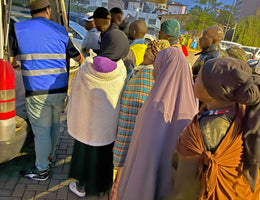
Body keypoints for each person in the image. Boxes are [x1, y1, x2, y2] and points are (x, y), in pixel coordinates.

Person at [8, 0, 83, 181]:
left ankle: (42, 170)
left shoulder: (19, 29)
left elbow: (10, 61)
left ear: (31, 12)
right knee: (54, 126)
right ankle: (48, 159)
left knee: (41, 131)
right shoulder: (60, 30)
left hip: (36, 91)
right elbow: (79, 57)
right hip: (59, 90)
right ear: (48, 11)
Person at [116, 47, 198, 200]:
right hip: (175, 178)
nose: (154, 72)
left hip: (148, 176)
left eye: (156, 67)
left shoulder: (156, 102)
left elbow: (145, 148)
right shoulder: (193, 98)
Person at [173, 57, 260, 200]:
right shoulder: (246, 111)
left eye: (199, 79)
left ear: (214, 91)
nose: (195, 81)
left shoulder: (199, 132)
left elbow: (183, 188)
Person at [67, 9, 130, 197]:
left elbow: (76, 93)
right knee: (103, 156)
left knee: (86, 154)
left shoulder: (87, 68)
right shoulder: (121, 71)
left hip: (87, 124)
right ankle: (101, 187)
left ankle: (82, 186)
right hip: (106, 127)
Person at [111, 40, 170, 200]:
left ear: (155, 56)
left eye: (149, 51)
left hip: (131, 139)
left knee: (120, 182)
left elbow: (131, 111)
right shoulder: (158, 75)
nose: (145, 53)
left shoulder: (146, 74)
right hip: (140, 140)